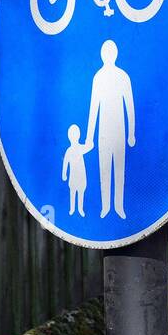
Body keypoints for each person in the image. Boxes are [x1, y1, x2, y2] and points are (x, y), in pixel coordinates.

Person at [84, 40, 135, 219]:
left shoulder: (123, 77)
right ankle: (105, 207)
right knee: (104, 170)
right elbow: (94, 108)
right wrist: (89, 137)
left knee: (119, 169)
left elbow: (130, 106)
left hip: (119, 131)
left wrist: (131, 133)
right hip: (103, 132)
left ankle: (119, 206)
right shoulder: (98, 77)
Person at [61, 124, 90, 217]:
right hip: (73, 177)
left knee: (81, 192)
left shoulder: (80, 148)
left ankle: (80, 209)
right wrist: (64, 174)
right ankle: (72, 209)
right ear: (69, 137)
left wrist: (90, 142)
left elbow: (89, 147)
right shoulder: (69, 151)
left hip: (81, 177)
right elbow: (65, 163)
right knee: (72, 192)